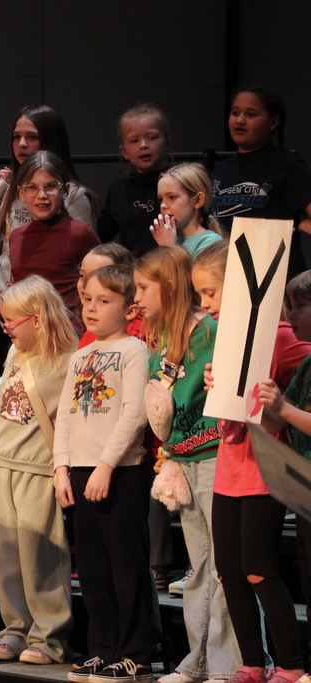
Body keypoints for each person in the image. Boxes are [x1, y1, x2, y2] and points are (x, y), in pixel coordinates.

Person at [134, 246, 240, 683]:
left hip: (218, 458)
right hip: (184, 461)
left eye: (143, 287)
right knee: (199, 569)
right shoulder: (160, 340)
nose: (136, 297)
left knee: (225, 568)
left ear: (170, 288)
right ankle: (196, 660)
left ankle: (231, 666)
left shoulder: (212, 331)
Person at [207, 250, 310, 683]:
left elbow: (280, 413)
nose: (207, 302)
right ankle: (253, 661)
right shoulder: (226, 338)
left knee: (258, 568)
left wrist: (275, 403)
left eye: (211, 292)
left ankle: (291, 664)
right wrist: (217, 387)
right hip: (229, 465)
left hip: (264, 468)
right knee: (229, 570)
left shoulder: (281, 338)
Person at [53, 264, 156, 682]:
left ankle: (135, 653)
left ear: (130, 308)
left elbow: (134, 413)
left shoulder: (134, 350)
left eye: (104, 301)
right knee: (92, 568)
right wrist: (61, 468)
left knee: (125, 565)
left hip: (120, 472)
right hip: (79, 470)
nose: (91, 308)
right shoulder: (80, 355)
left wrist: (106, 465)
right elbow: (65, 415)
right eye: (88, 299)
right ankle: (102, 647)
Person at [0, 275, 77, 665]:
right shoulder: (18, 352)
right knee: (5, 556)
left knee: (40, 555)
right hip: (0, 461)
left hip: (37, 467)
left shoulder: (69, 360)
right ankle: (14, 631)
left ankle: (50, 637)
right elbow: (9, 396)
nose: (5, 328)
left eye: (11, 322)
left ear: (38, 318)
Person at [0, 105, 98, 371]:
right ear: (22, 192)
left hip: (62, 333)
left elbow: (94, 274)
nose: (23, 144)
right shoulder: (16, 222)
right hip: (16, 323)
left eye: (32, 136)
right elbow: (7, 263)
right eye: (17, 137)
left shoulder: (75, 213)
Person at [212, 84, 311, 279]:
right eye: (235, 112)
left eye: (251, 114)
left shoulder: (287, 165)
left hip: (276, 276)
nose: (240, 120)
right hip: (229, 274)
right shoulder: (221, 170)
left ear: (273, 122)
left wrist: (302, 224)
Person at [7, 151, 101, 328]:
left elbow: (105, 285)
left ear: (64, 190)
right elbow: (19, 295)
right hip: (27, 334)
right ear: (21, 193)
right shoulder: (17, 237)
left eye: (50, 186)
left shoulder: (79, 233)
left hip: (69, 335)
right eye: (32, 187)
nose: (41, 195)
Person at [97, 104, 172, 256]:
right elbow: (101, 235)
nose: (144, 145)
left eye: (152, 138)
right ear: (124, 151)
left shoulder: (178, 183)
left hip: (169, 265)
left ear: (167, 143)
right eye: (134, 140)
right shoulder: (118, 189)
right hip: (131, 272)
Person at [150, 163, 224, 257]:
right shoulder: (168, 238)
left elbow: (181, 272)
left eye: (172, 197)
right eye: (160, 199)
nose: (163, 205)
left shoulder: (210, 242)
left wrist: (168, 247)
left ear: (198, 201)